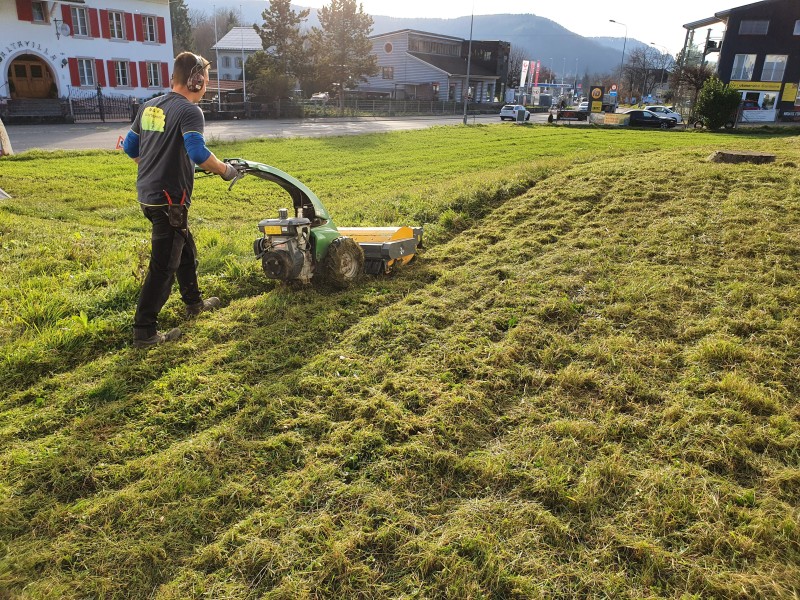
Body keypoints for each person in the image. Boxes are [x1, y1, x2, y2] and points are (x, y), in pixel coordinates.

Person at [123, 52, 238, 349]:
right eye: (206, 82)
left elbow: (131, 148)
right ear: (196, 80)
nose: (206, 87)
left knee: (185, 250)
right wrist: (226, 171)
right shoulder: (189, 111)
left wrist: (152, 166)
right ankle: (144, 332)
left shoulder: (149, 106)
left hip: (148, 197)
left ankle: (194, 303)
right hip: (169, 201)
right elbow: (198, 152)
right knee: (163, 267)